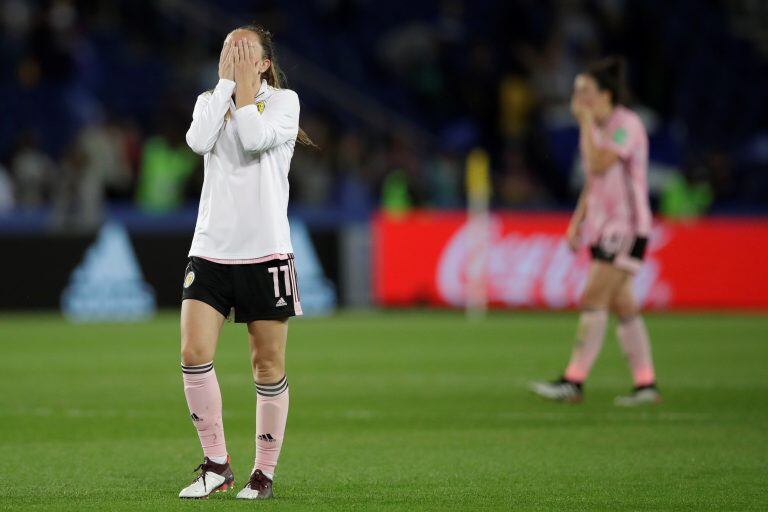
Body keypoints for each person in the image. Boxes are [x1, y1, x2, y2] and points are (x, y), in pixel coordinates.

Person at [177, 24, 314, 500]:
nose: (232, 56)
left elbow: (254, 139)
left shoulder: (283, 103)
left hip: (266, 252)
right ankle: (216, 464)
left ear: (264, 63)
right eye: (226, 49)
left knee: (266, 365)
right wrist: (223, 87)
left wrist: (243, 94)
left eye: (243, 51)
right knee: (193, 354)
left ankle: (263, 474)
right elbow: (197, 141)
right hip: (211, 249)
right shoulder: (208, 100)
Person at [530, 58, 660, 407]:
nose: (578, 99)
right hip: (604, 228)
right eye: (576, 92)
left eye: (585, 91)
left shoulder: (625, 125)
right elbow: (593, 181)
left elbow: (602, 163)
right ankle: (646, 385)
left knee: (593, 298)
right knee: (623, 303)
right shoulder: (597, 129)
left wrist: (585, 123)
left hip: (627, 227)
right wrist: (577, 221)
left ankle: (573, 381)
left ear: (606, 94)